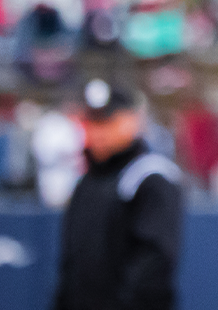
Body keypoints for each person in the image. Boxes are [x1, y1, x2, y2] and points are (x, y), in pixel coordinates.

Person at [50, 80, 182, 310]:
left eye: (108, 122)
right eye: (92, 122)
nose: (99, 131)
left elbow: (153, 263)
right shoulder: (85, 183)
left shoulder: (148, 177)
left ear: (132, 121)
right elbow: (71, 264)